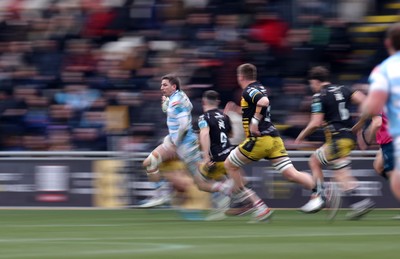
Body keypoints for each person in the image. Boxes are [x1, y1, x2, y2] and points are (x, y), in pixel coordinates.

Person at [223, 63, 318, 222]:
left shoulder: (249, 90)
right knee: (291, 174)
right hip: (274, 139)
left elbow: (264, 102)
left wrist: (253, 122)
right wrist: (237, 110)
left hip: (259, 140)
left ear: (240, 77)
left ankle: (254, 204)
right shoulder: (259, 87)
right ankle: (321, 191)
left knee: (230, 165)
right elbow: (257, 106)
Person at [295, 66, 375, 220]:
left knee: (315, 161)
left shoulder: (319, 96)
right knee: (340, 173)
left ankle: (320, 197)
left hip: (337, 138)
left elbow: (315, 122)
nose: (312, 87)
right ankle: (359, 203)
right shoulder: (345, 89)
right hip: (348, 138)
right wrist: (360, 123)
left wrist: (301, 136)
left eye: (312, 84)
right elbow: (367, 103)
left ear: (316, 81)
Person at [142, 74, 233, 204]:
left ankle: (224, 188)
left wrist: (175, 142)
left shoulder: (176, 101)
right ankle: (160, 194)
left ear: (174, 86)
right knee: (149, 162)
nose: (161, 87)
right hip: (175, 140)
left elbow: (184, 124)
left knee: (200, 182)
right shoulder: (179, 96)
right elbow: (188, 108)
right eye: (161, 85)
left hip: (184, 144)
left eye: (165, 85)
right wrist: (165, 106)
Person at [360, 22, 400, 204]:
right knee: (379, 165)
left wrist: (364, 108)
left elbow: (372, 107)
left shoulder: (384, 69)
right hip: (389, 138)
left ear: (388, 43)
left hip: (395, 136)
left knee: (396, 180)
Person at [198, 90, 253, 219]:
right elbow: (232, 135)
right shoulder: (225, 116)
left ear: (204, 102)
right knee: (240, 183)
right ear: (217, 102)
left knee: (201, 183)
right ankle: (244, 202)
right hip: (230, 155)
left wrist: (206, 157)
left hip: (216, 159)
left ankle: (226, 189)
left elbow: (204, 134)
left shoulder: (203, 118)